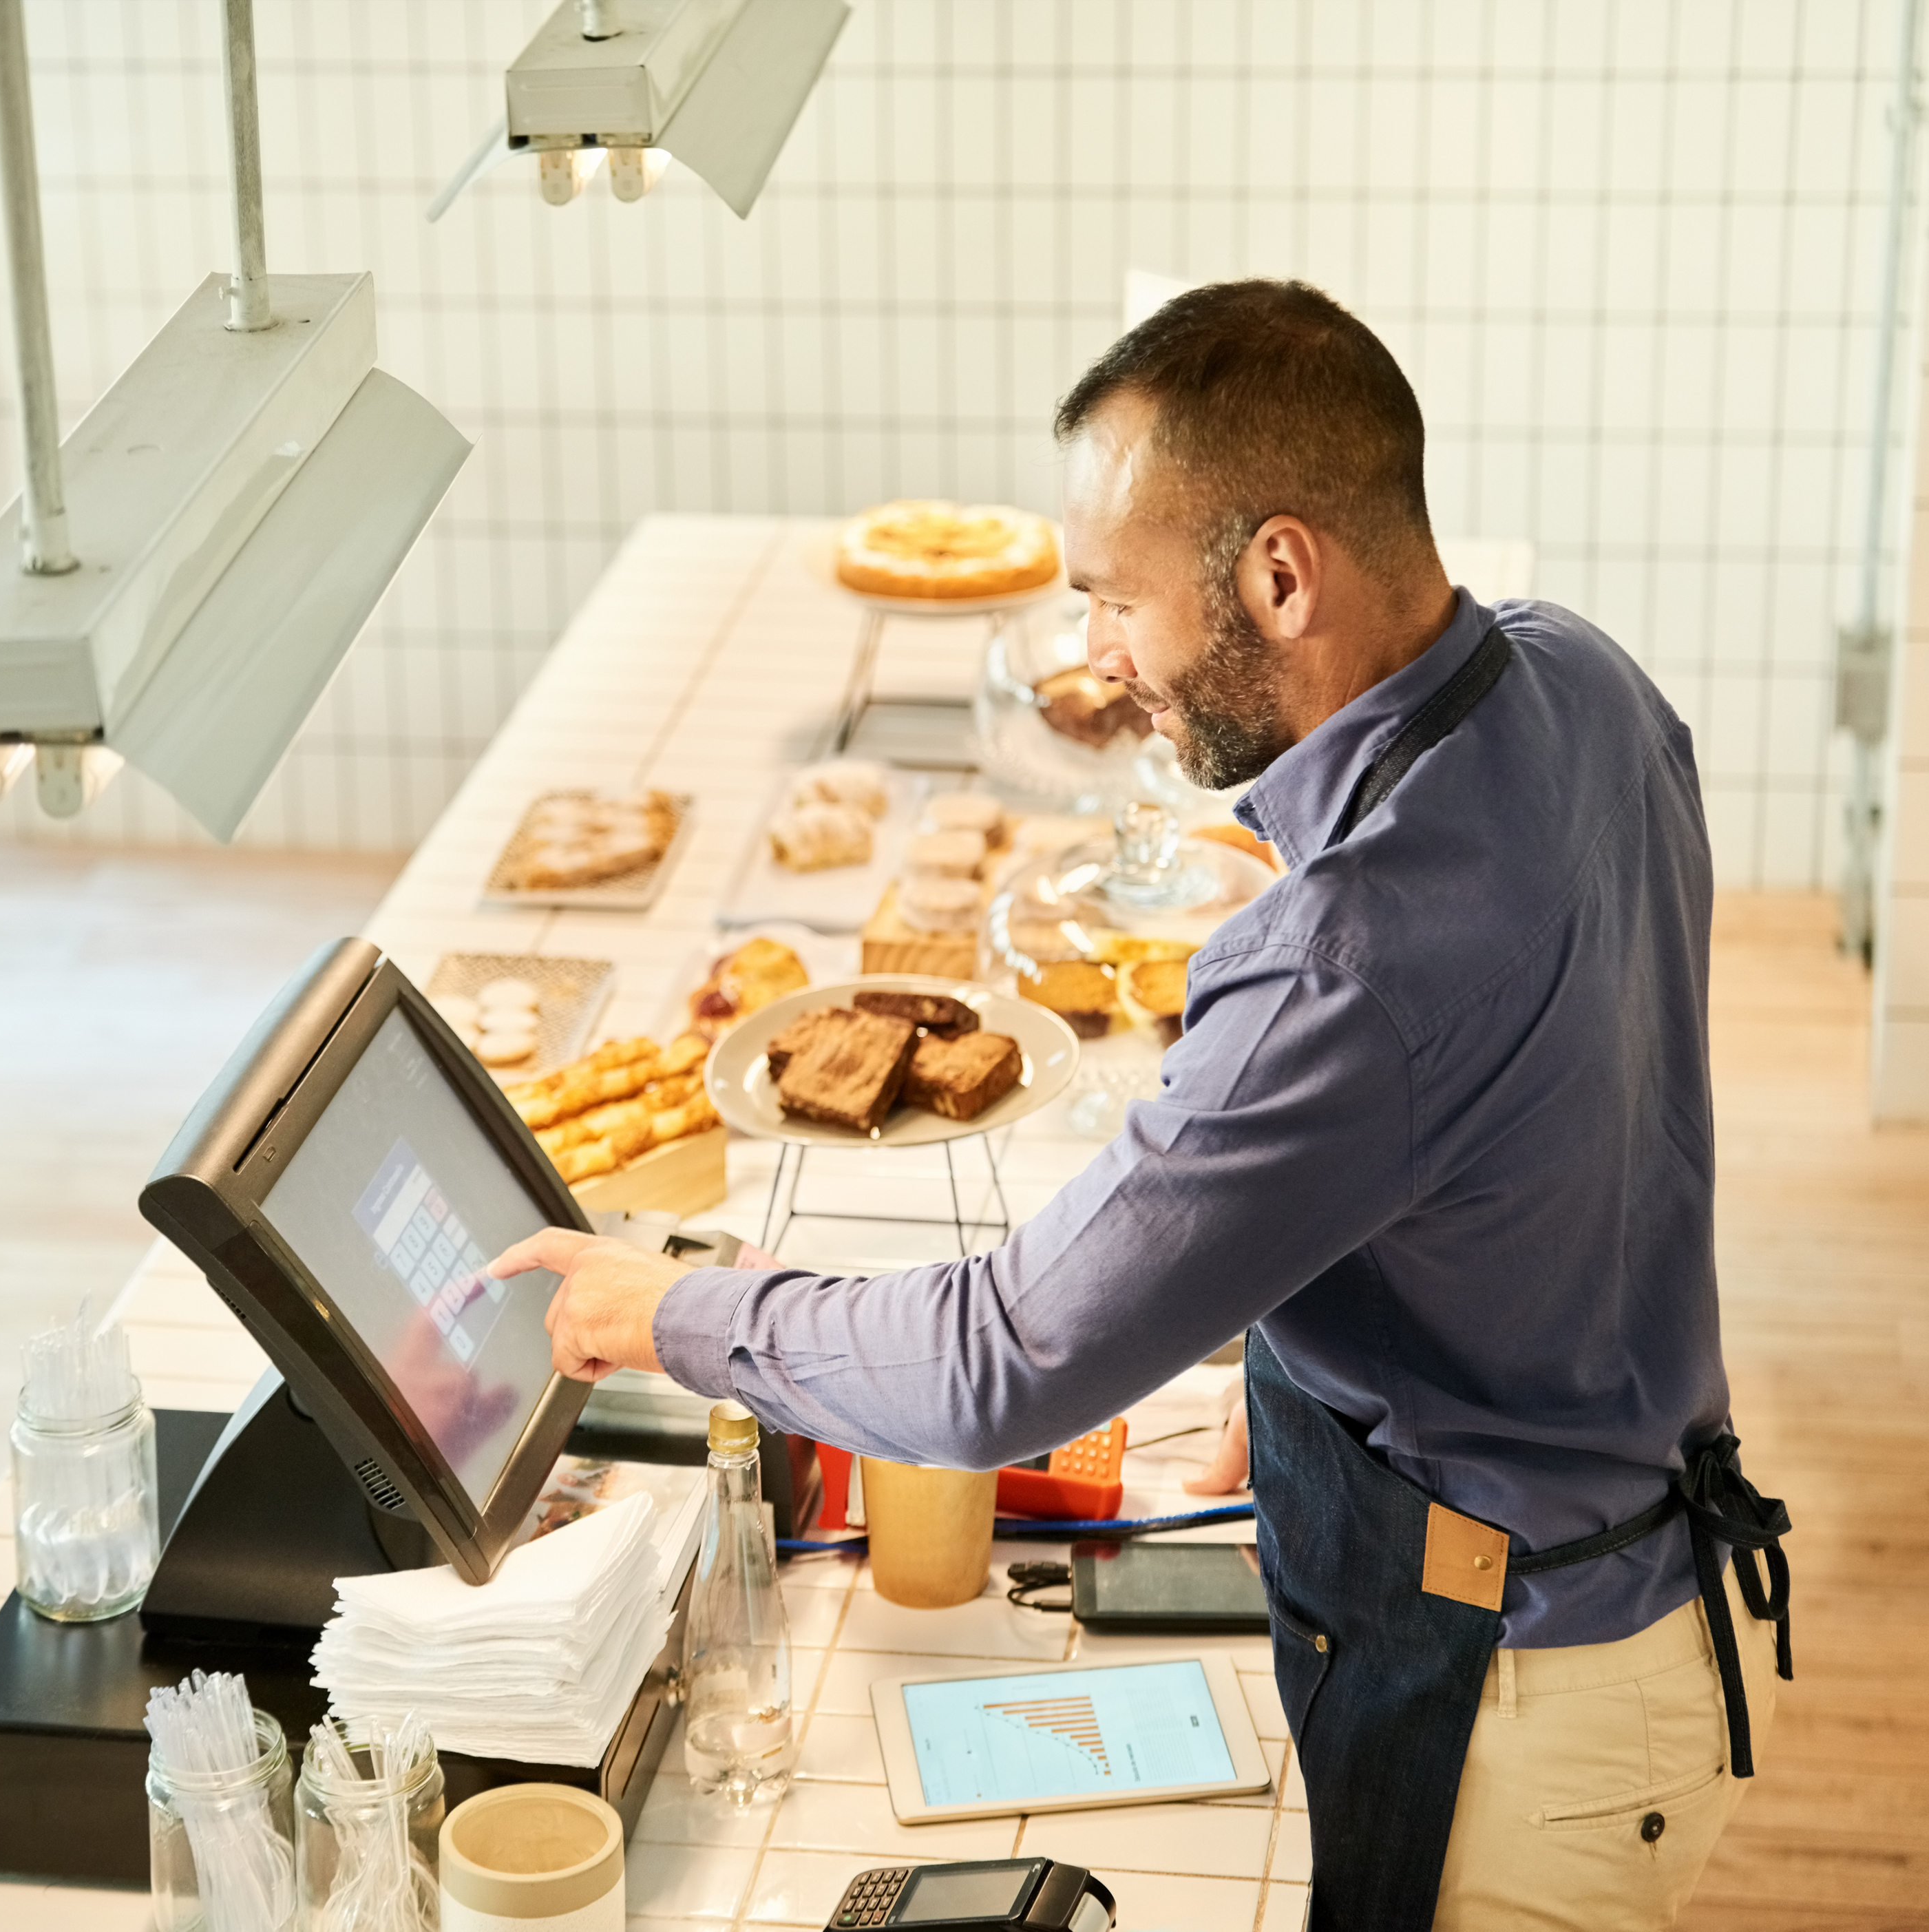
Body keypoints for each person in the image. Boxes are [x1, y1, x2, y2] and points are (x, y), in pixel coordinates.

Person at [490, 280, 1791, 1932]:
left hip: (1523, 1715)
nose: (1099, 658)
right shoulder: (1572, 677)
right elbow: (1498, 1043)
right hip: (1634, 1578)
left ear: (1275, 572)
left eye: (1112, 600)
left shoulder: (1339, 970)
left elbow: (1002, 1360)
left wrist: (669, 1308)